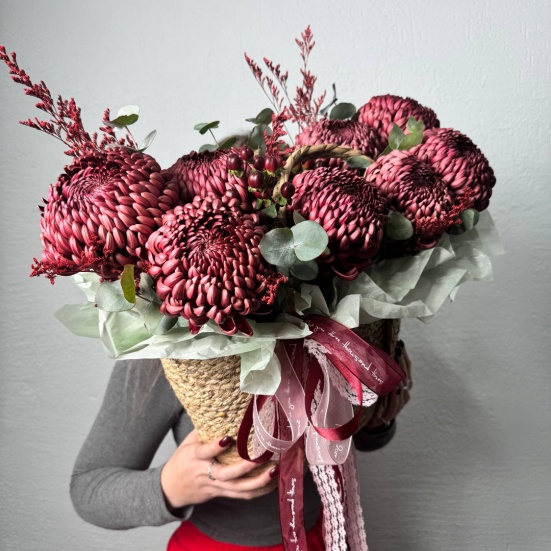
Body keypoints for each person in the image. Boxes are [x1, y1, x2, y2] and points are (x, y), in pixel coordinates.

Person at [70, 343, 412, 550]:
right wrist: (171, 486)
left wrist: (377, 418)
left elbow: (350, 442)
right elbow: (88, 488)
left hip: (328, 535)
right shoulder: (168, 349)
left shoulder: (329, 324)